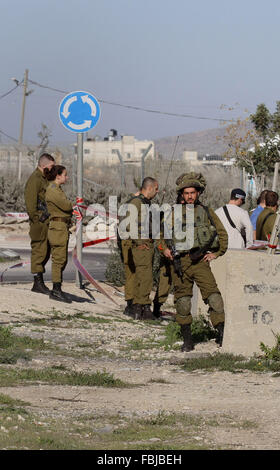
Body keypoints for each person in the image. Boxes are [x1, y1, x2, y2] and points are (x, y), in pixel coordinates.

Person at [159, 172, 228, 351]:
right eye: (186, 193)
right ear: (182, 194)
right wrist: (164, 249)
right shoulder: (172, 213)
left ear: (198, 193)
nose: (190, 196)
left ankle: (221, 334)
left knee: (214, 298)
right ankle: (187, 340)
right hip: (180, 264)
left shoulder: (206, 212)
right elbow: (160, 237)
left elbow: (222, 234)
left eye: (193, 193)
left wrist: (217, 253)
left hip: (200, 262)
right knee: (183, 302)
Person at [118, 177, 159, 320]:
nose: (157, 191)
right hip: (138, 244)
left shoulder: (141, 203)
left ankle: (135, 306)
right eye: (156, 188)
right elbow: (130, 224)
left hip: (138, 243)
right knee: (143, 276)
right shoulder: (137, 202)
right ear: (150, 188)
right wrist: (139, 241)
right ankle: (140, 307)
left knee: (138, 276)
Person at [24, 153, 55, 294]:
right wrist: (38, 220)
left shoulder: (44, 179)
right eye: (51, 166)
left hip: (46, 220)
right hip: (39, 222)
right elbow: (31, 204)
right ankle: (37, 283)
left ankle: (40, 281)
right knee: (39, 250)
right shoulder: (35, 179)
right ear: (43, 166)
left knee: (46, 251)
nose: (53, 169)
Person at [153, 192, 184, 318]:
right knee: (164, 283)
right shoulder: (169, 214)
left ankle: (182, 313)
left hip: (184, 257)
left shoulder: (194, 214)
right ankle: (156, 309)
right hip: (168, 255)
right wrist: (164, 249)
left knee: (181, 285)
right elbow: (159, 237)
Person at [45, 165, 73, 303]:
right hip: (57, 228)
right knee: (58, 260)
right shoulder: (53, 190)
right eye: (65, 175)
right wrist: (73, 205)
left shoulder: (57, 189)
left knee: (62, 259)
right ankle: (56, 290)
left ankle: (58, 288)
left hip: (61, 227)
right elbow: (66, 205)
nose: (67, 177)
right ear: (58, 176)